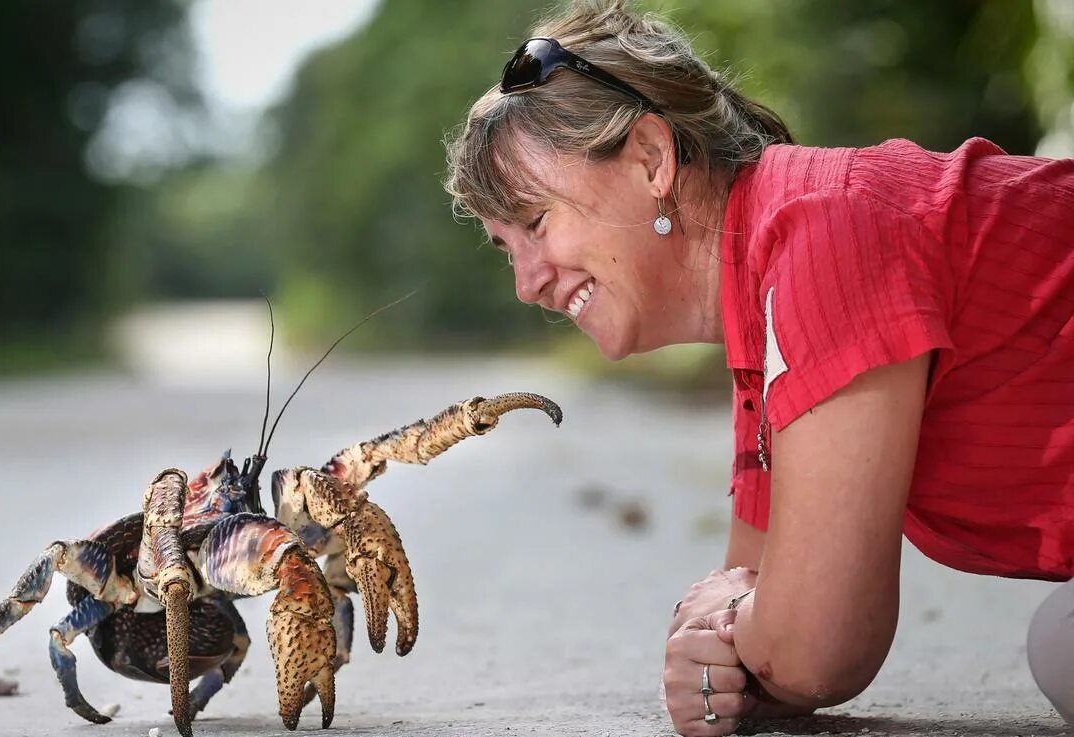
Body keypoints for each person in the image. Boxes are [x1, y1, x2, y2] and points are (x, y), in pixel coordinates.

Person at [443, 1, 1074, 735]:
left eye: (535, 223)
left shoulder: (825, 232)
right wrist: (740, 644)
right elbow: (751, 615)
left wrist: (755, 631)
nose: (528, 283)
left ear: (651, 157)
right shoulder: (763, 315)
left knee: (1059, 647)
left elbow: (815, 647)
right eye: (504, 247)